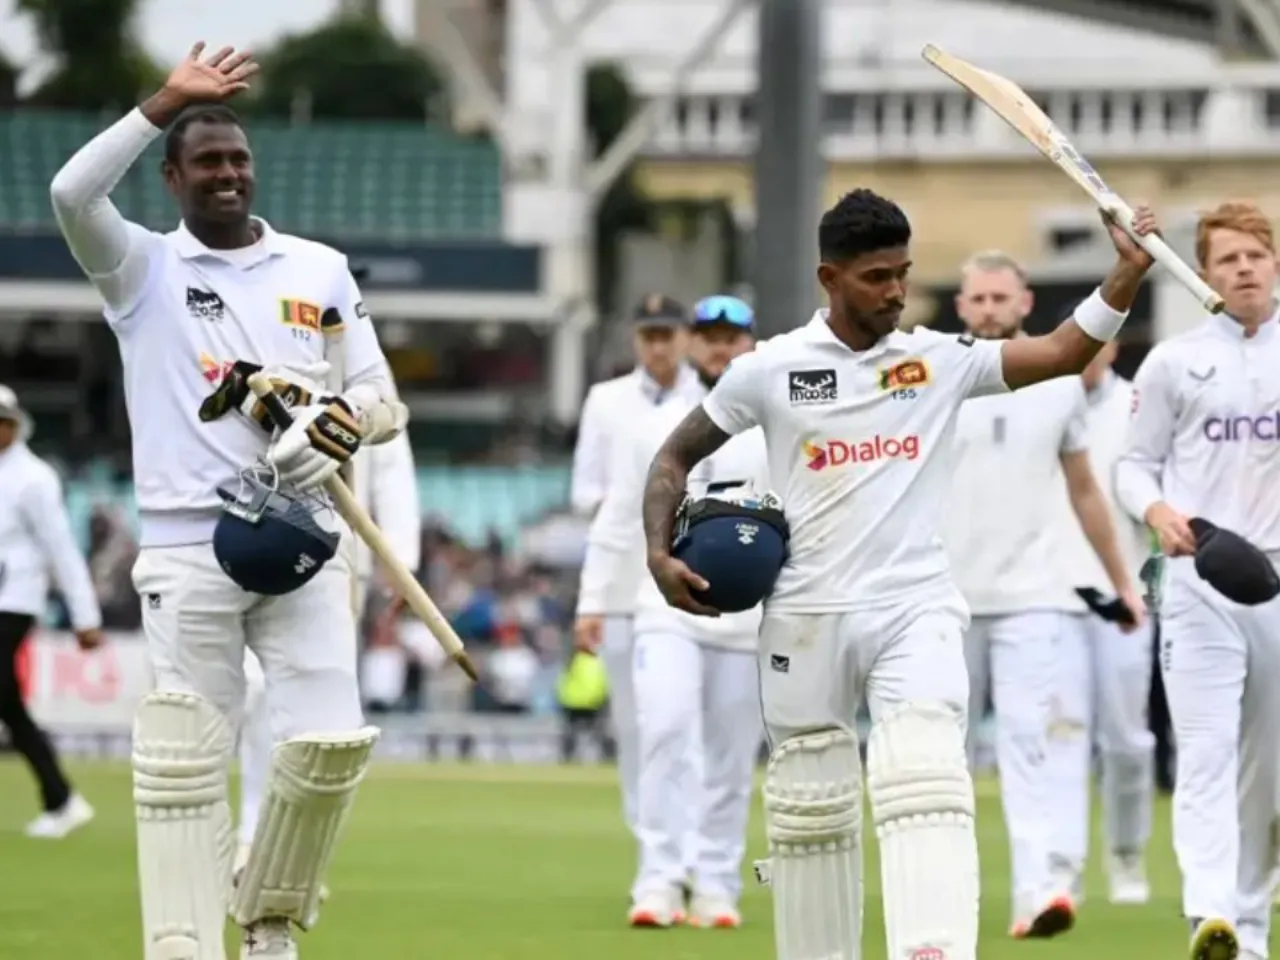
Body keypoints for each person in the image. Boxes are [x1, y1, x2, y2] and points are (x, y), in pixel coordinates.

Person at [639, 188, 1160, 960]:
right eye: (876, 277)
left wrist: (1125, 275)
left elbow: (1061, 352)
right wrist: (658, 555)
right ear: (830, 277)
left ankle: (934, 950)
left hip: (914, 607)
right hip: (806, 612)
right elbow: (673, 459)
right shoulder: (769, 369)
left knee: (924, 777)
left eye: (903, 274)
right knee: (811, 806)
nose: (894, 291)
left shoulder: (936, 359)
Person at [50, 43, 401, 959]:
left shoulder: (318, 268)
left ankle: (272, 923)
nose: (227, 174)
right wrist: (163, 100)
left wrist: (336, 422)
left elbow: (381, 397)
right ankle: (186, 942)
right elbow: (70, 195)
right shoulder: (141, 271)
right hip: (189, 544)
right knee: (188, 765)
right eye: (206, 161)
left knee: (326, 749)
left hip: (303, 538)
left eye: (238, 160)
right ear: (171, 176)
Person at [941, 252, 1144, 937]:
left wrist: (1122, 581)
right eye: (979, 297)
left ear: (1025, 304)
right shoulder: (934, 372)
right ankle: (946, 893)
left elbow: (1086, 491)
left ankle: (1037, 892)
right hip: (944, 597)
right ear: (962, 306)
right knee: (946, 755)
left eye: (1003, 296)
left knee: (1031, 743)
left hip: (1033, 594)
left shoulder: (1059, 384)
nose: (991, 308)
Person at [1115, 199, 1280, 960]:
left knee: (1268, 776)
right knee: (1205, 755)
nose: (1244, 269)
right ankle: (1211, 919)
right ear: (1205, 274)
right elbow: (1131, 463)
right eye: (1228, 259)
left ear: (1274, 263)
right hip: (1199, 583)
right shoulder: (1175, 361)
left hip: (1276, 586)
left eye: (1256, 255)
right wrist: (1156, 511)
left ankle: (1251, 922)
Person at [579, 295, 766, 928]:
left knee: (730, 755)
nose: (721, 347)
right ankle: (659, 878)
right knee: (663, 732)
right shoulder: (647, 423)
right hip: (664, 605)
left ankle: (716, 883)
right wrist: (591, 598)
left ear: (750, 344)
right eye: (709, 337)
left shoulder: (779, 417)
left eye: (732, 337)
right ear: (693, 344)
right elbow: (614, 516)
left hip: (746, 618)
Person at [235, 425, 420, 899]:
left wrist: (401, 562)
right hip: (251, 536)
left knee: (325, 720)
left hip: (337, 562)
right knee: (253, 693)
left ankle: (294, 858)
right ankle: (250, 835)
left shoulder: (361, 363)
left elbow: (393, 463)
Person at [571, 294, 704, 896]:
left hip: (688, 579)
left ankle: (692, 852)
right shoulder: (607, 401)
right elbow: (592, 495)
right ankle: (655, 849)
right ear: (636, 339)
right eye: (649, 334)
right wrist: (593, 595)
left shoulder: (707, 397)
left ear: (684, 337)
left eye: (668, 333)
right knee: (641, 727)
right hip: (625, 580)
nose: (658, 345)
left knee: (685, 723)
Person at [1043, 339, 1155, 909]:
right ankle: (1062, 869)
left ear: (1112, 345)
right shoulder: (1041, 399)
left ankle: (1128, 854)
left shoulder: (1138, 403)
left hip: (1124, 596)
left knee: (1128, 740)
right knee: (1063, 735)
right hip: (1054, 593)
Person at [0, 385, 102, 838]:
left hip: (14, 601)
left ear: (16, 424)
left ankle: (61, 799)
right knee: (7, 703)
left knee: (5, 697)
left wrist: (86, 616)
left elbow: (62, 550)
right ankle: (61, 798)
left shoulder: (34, 478)